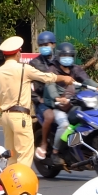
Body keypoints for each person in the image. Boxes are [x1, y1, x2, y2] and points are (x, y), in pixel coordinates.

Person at [0, 36, 72, 168]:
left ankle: (11, 184)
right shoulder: (23, 69)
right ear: (17, 53)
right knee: (25, 155)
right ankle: (22, 185)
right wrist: (64, 78)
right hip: (20, 116)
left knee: (11, 155)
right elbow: (46, 77)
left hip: (5, 116)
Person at [37, 42, 98, 161]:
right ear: (59, 56)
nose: (67, 59)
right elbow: (50, 86)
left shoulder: (75, 69)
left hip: (73, 105)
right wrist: (57, 98)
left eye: (70, 56)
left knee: (90, 118)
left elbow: (87, 81)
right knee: (65, 125)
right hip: (57, 107)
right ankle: (55, 152)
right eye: (65, 56)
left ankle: (85, 145)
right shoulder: (52, 70)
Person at [31, 31, 60, 160]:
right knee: (50, 116)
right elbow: (28, 86)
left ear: (53, 44)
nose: (44, 47)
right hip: (43, 101)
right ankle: (44, 144)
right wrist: (38, 99)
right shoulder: (34, 64)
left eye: (46, 44)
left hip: (60, 99)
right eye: (41, 45)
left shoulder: (60, 60)